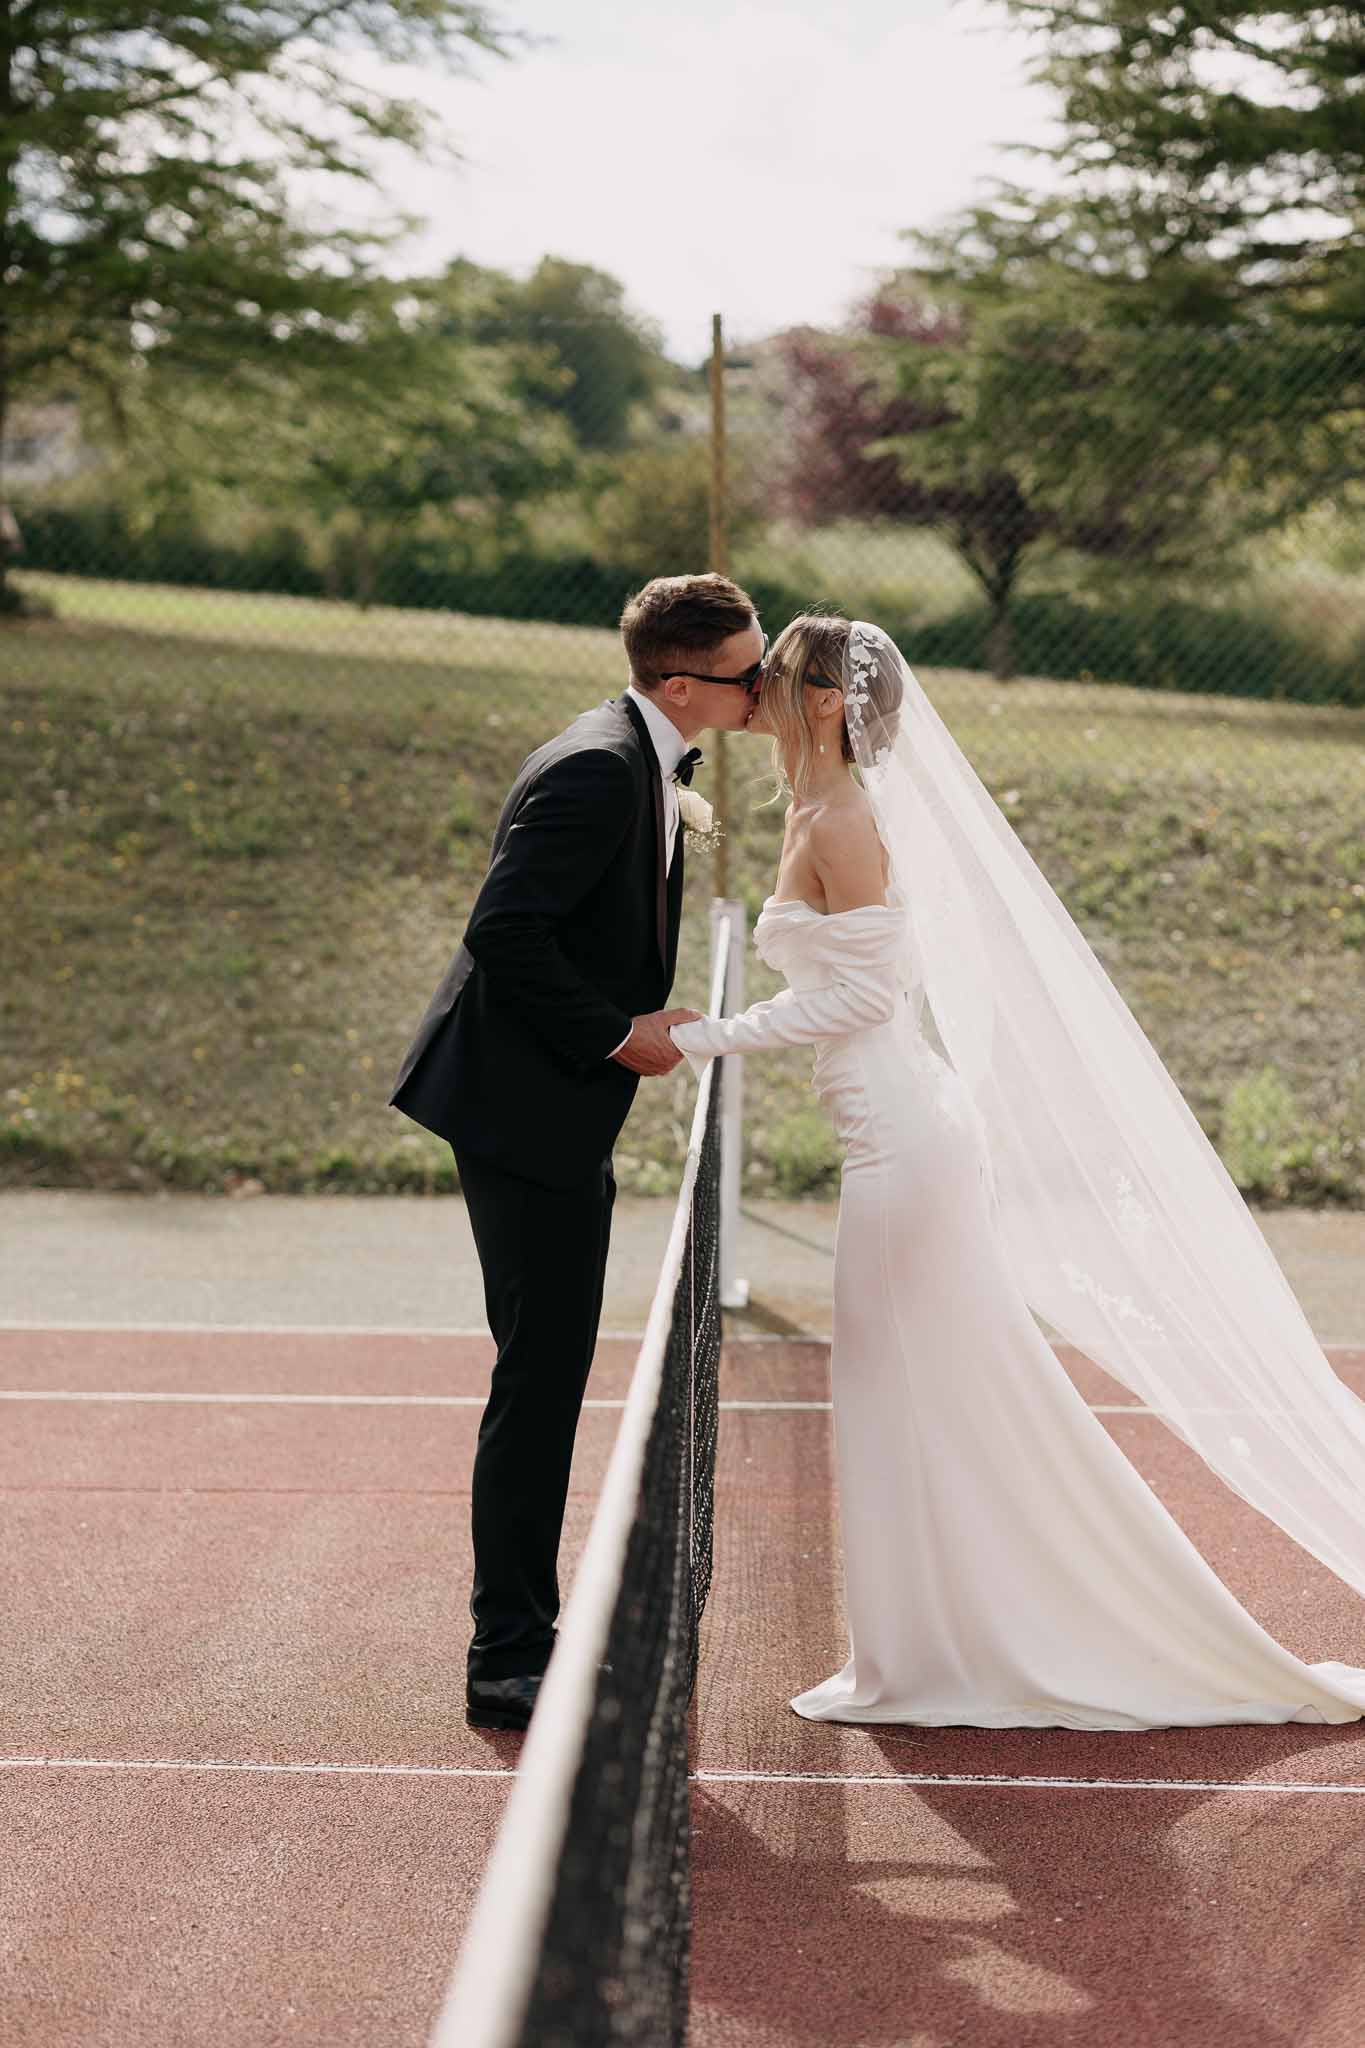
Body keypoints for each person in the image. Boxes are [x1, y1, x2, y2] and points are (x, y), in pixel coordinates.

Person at [670, 615, 1365, 1729]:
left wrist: (698, 1036)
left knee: (919, 1386)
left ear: (826, 703)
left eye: (778, 676)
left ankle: (959, 1646)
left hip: (903, 1144)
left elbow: (863, 999)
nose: (755, 689)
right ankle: (925, 1641)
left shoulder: (843, 818)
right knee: (920, 1390)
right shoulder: (813, 806)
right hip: (891, 1132)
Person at [390, 573, 764, 1730]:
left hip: (553, 1107)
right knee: (539, 1376)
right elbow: (503, 929)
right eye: (750, 677)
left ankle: (528, 1627)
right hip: (519, 1111)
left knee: (547, 1367)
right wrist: (614, 1034)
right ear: (684, 681)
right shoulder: (602, 766)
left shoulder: (644, 756)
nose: (763, 692)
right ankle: (508, 1653)